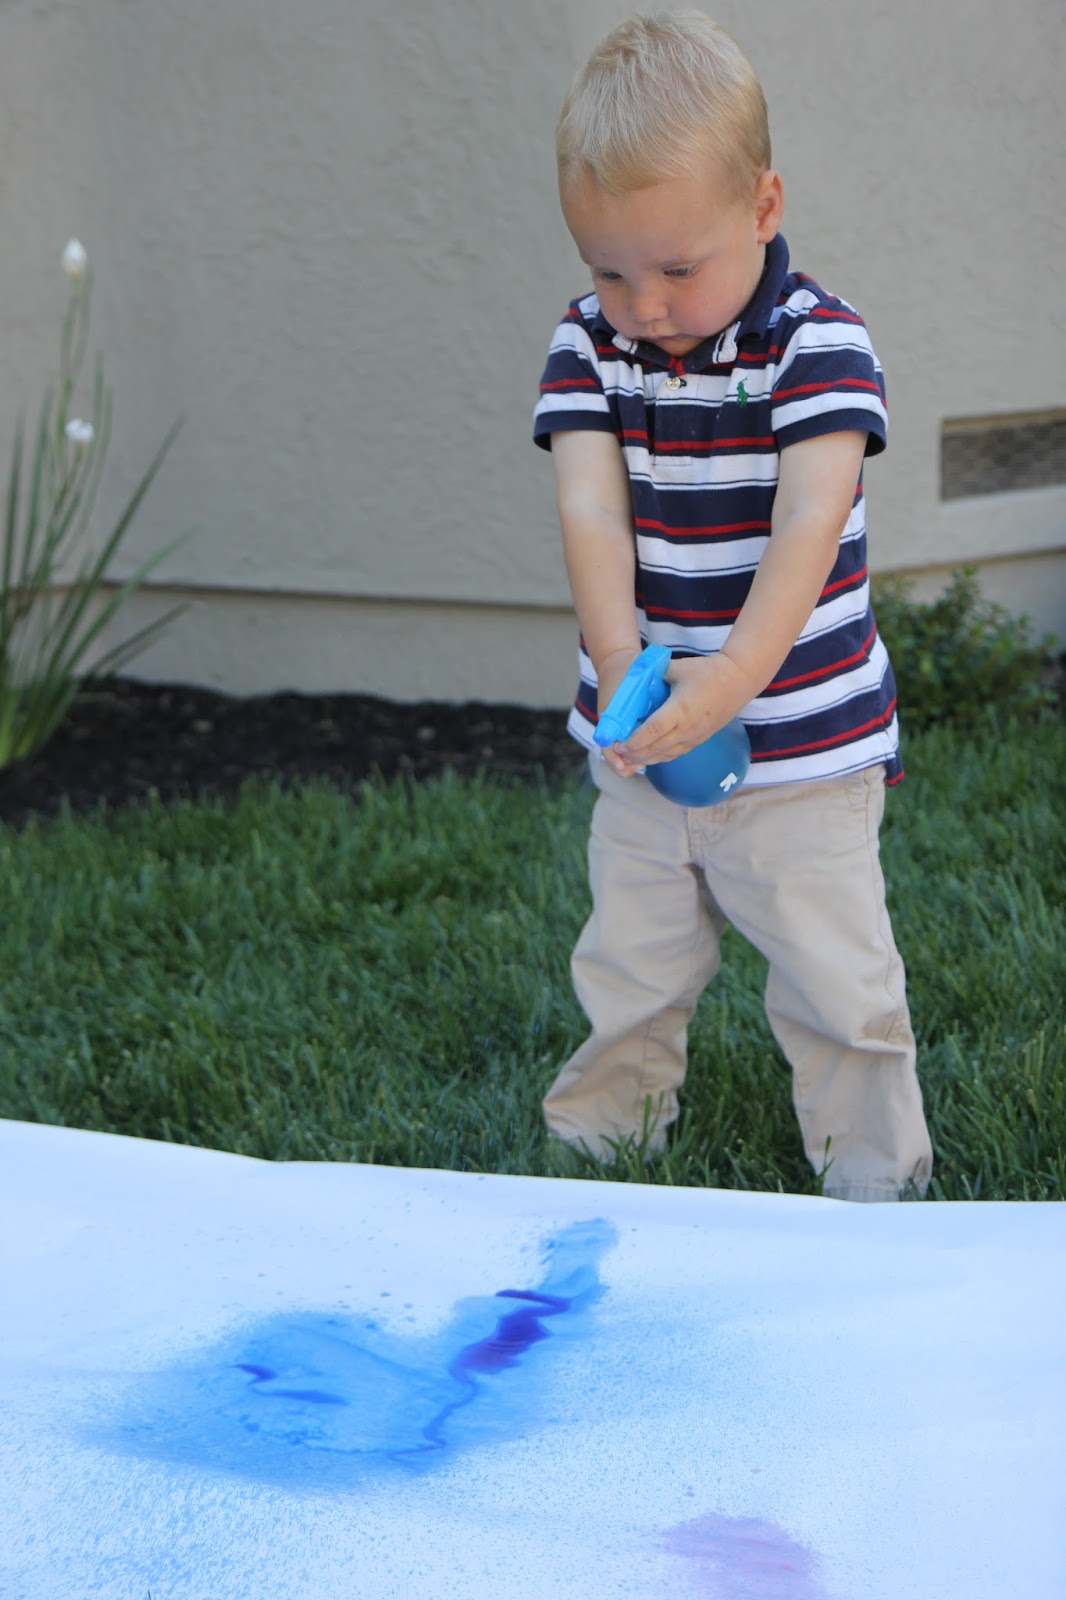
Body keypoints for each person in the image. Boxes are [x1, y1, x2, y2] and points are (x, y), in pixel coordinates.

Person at [532, 11, 933, 1201]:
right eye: (607, 268)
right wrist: (622, 663)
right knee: (629, 970)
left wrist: (731, 678)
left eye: (674, 268)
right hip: (646, 738)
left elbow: (808, 524)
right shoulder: (589, 345)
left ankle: (878, 1186)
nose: (641, 304)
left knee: (835, 982)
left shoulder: (819, 347)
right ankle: (600, 1156)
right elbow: (592, 511)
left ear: (762, 209)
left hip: (804, 746)